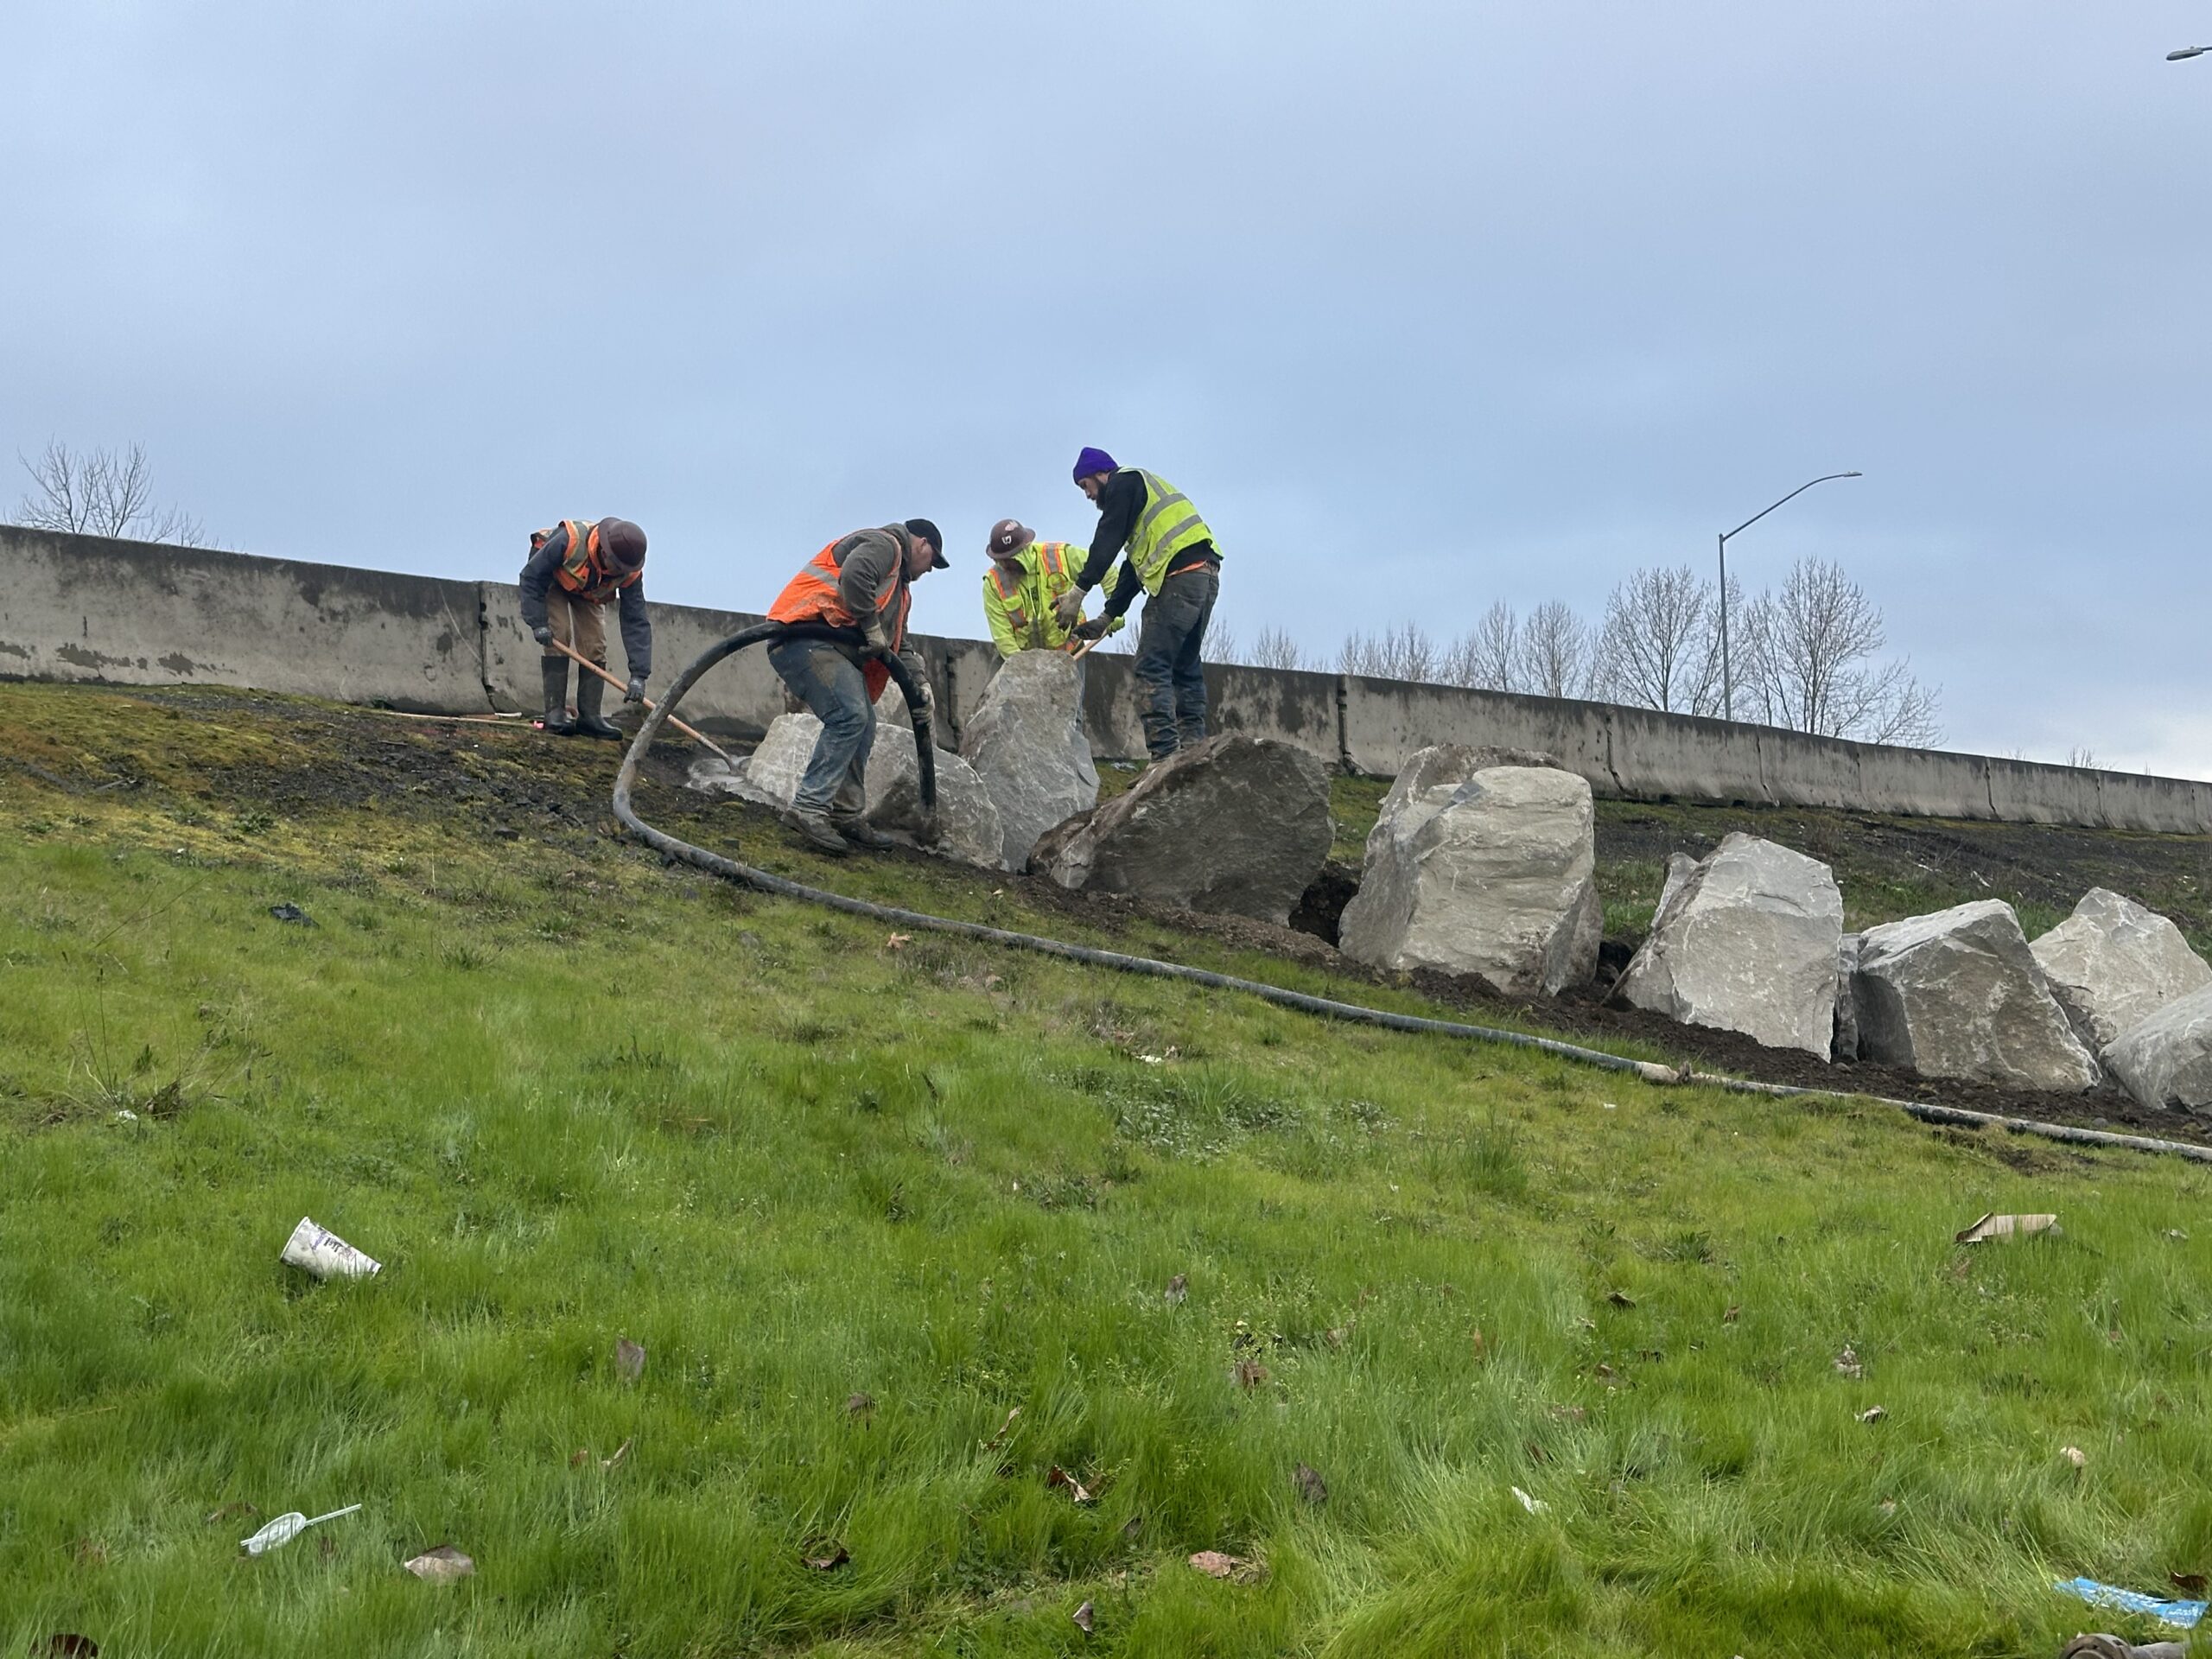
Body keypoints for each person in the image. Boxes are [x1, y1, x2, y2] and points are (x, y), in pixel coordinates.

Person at [764, 519, 947, 855]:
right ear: (921, 543)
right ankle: (808, 807)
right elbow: (854, 576)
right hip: (803, 637)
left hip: (823, 645)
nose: (930, 570)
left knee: (864, 724)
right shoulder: (885, 546)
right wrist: (869, 625)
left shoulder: (899, 591)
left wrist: (920, 685)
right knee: (849, 715)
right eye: (932, 560)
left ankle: (845, 814)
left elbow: (898, 644)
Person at [1053, 447, 1221, 760]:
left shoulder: (1123, 482)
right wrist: (1107, 616)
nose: (1088, 495)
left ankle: (1164, 758)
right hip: (1205, 577)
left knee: (1151, 665)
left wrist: (1078, 592)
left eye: (1085, 485)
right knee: (1185, 665)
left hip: (1179, 578)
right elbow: (1132, 569)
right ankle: (1194, 751)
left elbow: (1107, 540)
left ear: (1101, 474)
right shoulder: (1142, 496)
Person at [518, 518, 651, 740]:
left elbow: (635, 619)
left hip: (589, 590)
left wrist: (639, 674)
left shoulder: (629, 572)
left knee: (595, 645)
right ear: (605, 553)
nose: (620, 573)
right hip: (552, 579)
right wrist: (538, 622)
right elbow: (531, 577)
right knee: (559, 633)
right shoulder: (568, 541)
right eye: (617, 567)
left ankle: (590, 717)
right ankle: (555, 713)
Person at [979, 518, 1120, 657]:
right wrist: (1024, 669)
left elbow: (1105, 568)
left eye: (1008, 561)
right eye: (999, 560)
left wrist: (1113, 612)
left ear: (1022, 555)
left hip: (1071, 653)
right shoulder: (993, 584)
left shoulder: (1059, 556)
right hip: (1029, 663)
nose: (1003, 566)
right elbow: (1004, 638)